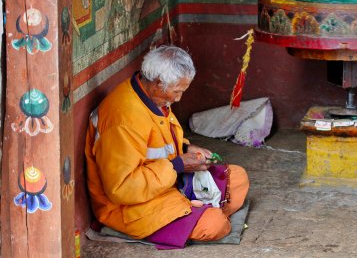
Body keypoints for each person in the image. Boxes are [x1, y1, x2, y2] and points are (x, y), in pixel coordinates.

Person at [85, 45, 249, 248]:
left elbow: (158, 140)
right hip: (128, 206)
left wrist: (186, 148)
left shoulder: (152, 95)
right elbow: (122, 189)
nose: (179, 98)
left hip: (165, 185)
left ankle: (194, 212)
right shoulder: (123, 119)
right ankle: (199, 212)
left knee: (238, 177)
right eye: (177, 91)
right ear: (158, 82)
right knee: (216, 225)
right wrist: (177, 166)